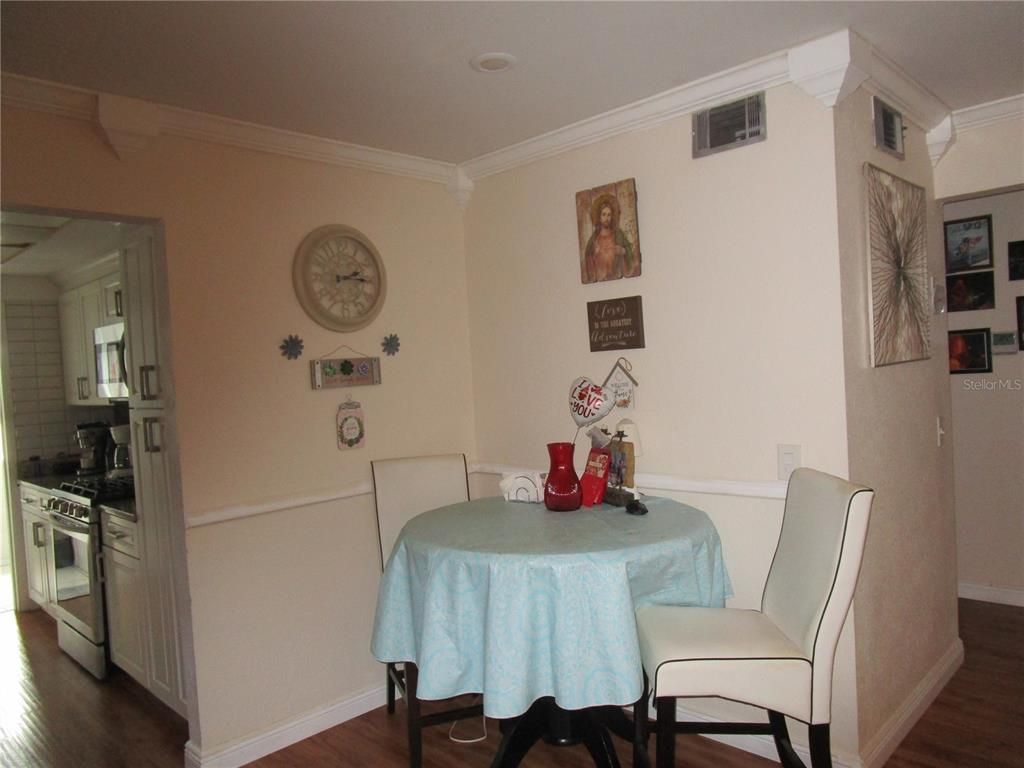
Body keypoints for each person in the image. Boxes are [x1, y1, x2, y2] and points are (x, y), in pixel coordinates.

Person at [582, 193, 637, 283]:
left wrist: (623, 251)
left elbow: (629, 253)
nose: (606, 218)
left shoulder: (618, 234)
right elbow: (588, 258)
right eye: (604, 215)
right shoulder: (594, 238)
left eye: (609, 215)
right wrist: (595, 254)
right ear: (599, 217)